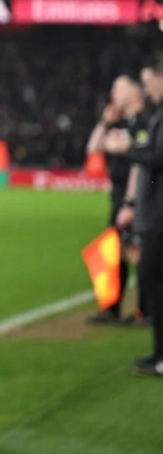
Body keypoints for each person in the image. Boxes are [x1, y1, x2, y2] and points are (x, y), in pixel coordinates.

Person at [105, 56, 163, 376]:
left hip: (158, 214)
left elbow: (157, 157)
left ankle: (161, 355)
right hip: (152, 212)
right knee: (152, 280)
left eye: (150, 81)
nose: (148, 88)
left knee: (154, 280)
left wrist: (127, 149)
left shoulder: (157, 118)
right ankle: (159, 354)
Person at [85, 76, 147, 324]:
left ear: (134, 93)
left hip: (138, 198)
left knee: (136, 252)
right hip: (118, 196)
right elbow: (92, 148)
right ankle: (112, 308)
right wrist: (104, 122)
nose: (113, 94)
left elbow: (139, 164)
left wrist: (131, 203)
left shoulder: (143, 122)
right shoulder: (118, 122)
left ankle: (145, 310)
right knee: (114, 252)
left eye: (118, 89)